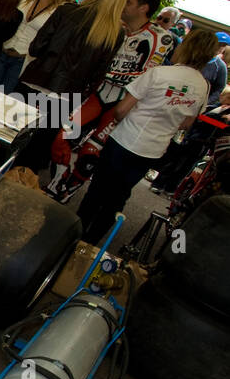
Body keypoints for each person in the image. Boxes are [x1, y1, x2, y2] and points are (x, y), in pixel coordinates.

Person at [75, 29, 220, 244]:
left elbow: (121, 110)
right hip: (154, 149)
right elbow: (187, 123)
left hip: (125, 139)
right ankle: (91, 244)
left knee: (98, 191)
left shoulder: (159, 73)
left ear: (187, 46)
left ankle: (72, 235)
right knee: (118, 198)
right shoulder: (203, 86)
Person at [16, 0, 130, 173]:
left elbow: (36, 48)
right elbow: (97, 77)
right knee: (33, 156)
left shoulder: (66, 11)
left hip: (33, 83)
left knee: (5, 136)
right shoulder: (114, 34)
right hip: (65, 98)